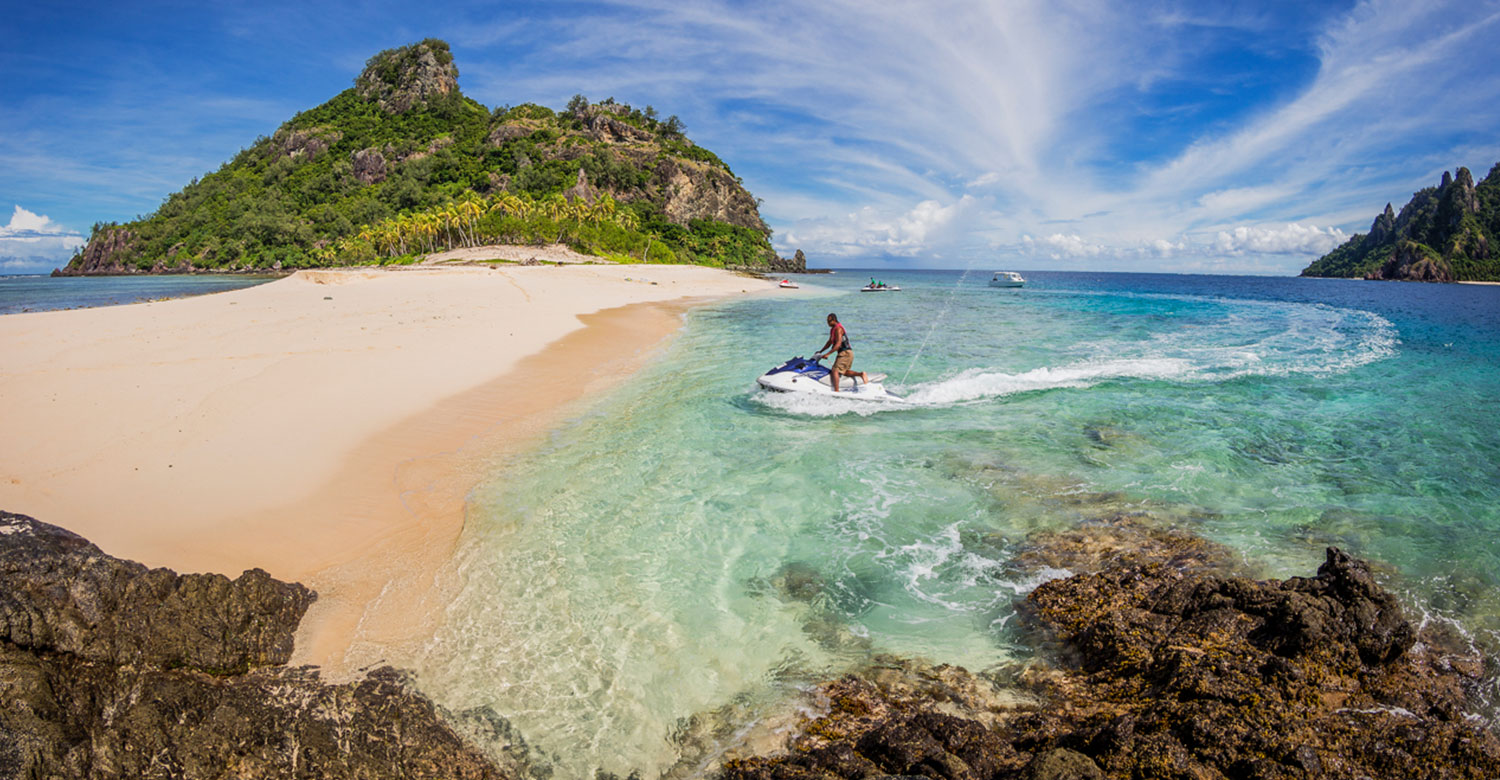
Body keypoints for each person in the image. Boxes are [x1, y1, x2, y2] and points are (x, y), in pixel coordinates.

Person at [813, 313, 867, 392]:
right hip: (846, 353)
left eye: (829, 321)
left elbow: (838, 344)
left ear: (834, 320)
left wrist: (828, 354)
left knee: (835, 371)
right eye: (827, 321)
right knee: (844, 372)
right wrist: (820, 351)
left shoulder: (838, 329)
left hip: (845, 353)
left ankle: (836, 391)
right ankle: (861, 374)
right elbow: (830, 342)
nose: (827, 323)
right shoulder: (833, 329)